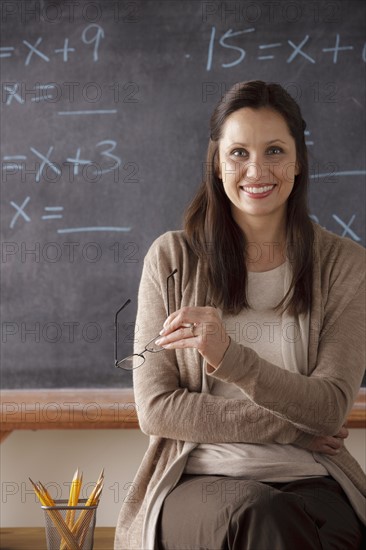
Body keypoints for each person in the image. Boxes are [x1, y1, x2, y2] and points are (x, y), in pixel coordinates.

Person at [114, 80, 366, 550]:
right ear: (216, 162)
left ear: (298, 161)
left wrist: (230, 356)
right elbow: (157, 409)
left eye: (274, 150)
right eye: (238, 153)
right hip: (200, 479)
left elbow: (330, 406)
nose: (257, 169)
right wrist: (297, 428)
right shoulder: (171, 259)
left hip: (313, 478)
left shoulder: (346, 265)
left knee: (336, 534)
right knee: (262, 518)